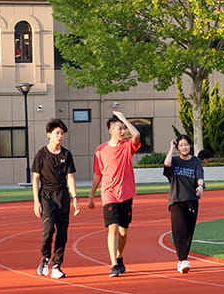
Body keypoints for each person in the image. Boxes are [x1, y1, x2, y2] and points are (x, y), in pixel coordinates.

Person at [87, 111, 142, 277]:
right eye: (119, 128)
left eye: (124, 129)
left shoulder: (127, 147)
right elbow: (98, 174)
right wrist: (91, 195)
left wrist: (124, 118)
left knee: (123, 231)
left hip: (126, 193)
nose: (122, 132)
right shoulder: (100, 150)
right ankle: (113, 265)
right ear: (110, 130)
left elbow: (137, 134)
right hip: (109, 193)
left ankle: (119, 256)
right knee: (113, 227)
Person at [32, 118, 80, 279]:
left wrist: (74, 198)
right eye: (57, 133)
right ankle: (45, 258)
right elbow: (35, 178)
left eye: (62, 133)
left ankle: (57, 265)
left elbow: (70, 177)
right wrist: (36, 202)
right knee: (48, 229)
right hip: (46, 195)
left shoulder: (66, 154)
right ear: (49, 134)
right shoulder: (41, 154)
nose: (60, 136)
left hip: (62, 196)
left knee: (62, 232)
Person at [164, 135, 205, 274]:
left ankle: (182, 259)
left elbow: (199, 176)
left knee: (188, 231)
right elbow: (167, 164)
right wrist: (171, 147)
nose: (184, 147)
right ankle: (183, 260)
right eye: (181, 145)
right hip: (176, 200)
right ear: (177, 148)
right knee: (179, 230)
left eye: (186, 144)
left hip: (191, 200)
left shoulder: (196, 161)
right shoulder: (174, 161)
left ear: (190, 146)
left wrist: (200, 186)